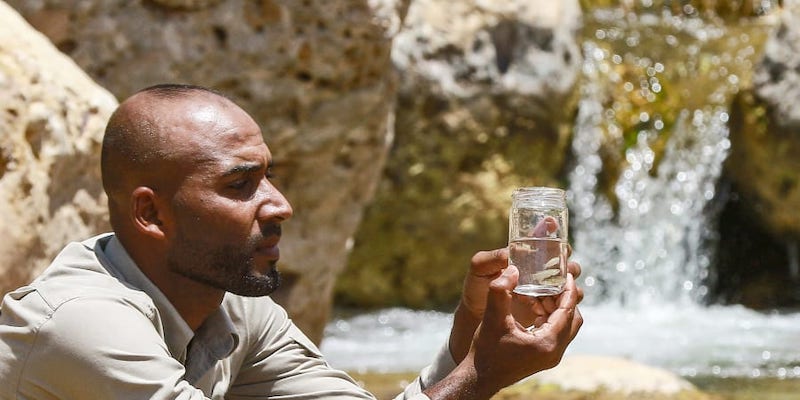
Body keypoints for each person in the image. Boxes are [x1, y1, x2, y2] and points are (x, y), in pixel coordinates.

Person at [0, 84, 583, 399]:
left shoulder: (234, 308)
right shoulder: (81, 327)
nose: (280, 205)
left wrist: (464, 343)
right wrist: (481, 375)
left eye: (269, 175)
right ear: (151, 214)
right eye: (240, 184)